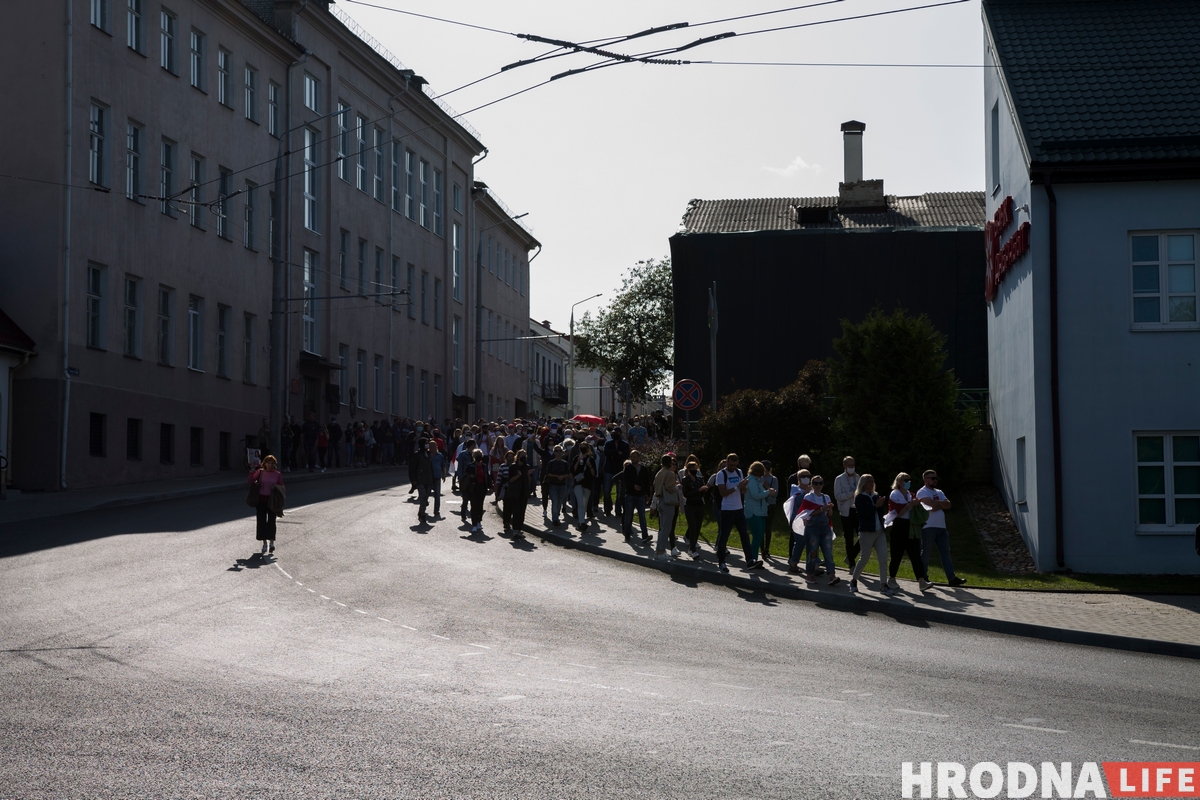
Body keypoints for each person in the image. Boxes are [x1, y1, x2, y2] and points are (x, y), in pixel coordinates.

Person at [916, 469, 967, 587]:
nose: (935, 480)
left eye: (936, 478)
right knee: (926, 553)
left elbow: (948, 505)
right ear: (925, 480)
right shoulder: (922, 492)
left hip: (941, 527)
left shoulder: (939, 491)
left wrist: (936, 502)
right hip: (928, 527)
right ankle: (922, 577)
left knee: (946, 553)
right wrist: (940, 503)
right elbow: (931, 507)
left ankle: (952, 578)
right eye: (932, 478)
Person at [848, 474, 890, 594]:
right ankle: (854, 580)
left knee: (883, 559)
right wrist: (875, 506)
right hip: (867, 531)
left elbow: (880, 513)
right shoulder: (860, 497)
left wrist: (880, 506)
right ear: (863, 484)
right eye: (868, 482)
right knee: (864, 558)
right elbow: (863, 514)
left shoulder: (875, 496)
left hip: (879, 531)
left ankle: (883, 584)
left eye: (872, 481)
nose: (871, 484)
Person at [885, 472, 926, 593]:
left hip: (910, 526)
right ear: (899, 482)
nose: (908, 482)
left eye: (909, 480)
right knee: (897, 554)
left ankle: (921, 580)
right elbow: (898, 512)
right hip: (899, 526)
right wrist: (910, 505)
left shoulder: (910, 494)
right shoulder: (895, 494)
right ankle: (891, 578)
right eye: (905, 480)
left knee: (915, 554)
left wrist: (916, 503)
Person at [715, 453, 753, 574]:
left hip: (738, 509)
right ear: (726, 462)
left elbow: (743, 491)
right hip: (727, 509)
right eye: (730, 465)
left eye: (734, 465)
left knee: (744, 535)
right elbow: (722, 493)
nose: (732, 467)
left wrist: (744, 487)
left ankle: (750, 560)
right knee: (724, 536)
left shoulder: (739, 472)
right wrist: (737, 487)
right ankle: (721, 561)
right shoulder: (721, 474)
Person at [799, 476, 839, 584]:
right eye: (815, 483)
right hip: (812, 527)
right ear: (812, 485)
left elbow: (830, 514)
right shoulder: (808, 497)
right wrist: (822, 509)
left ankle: (831, 575)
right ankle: (809, 574)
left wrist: (829, 508)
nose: (818, 485)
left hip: (825, 527)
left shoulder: (826, 497)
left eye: (820, 483)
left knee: (828, 552)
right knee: (812, 552)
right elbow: (807, 513)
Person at [248, 455, 285, 557]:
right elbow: (250, 481)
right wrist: (251, 471)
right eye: (268, 463)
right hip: (261, 500)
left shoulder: (277, 474)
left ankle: (272, 542)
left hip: (272, 501)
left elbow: (282, 487)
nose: (270, 465)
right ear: (264, 464)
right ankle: (264, 543)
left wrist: (276, 487)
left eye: (272, 463)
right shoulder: (260, 472)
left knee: (272, 521)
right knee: (261, 521)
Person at [744, 461, 774, 570]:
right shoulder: (751, 481)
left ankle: (753, 559)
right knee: (757, 536)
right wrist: (768, 492)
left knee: (759, 535)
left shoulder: (756, 481)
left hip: (760, 512)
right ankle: (752, 559)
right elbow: (756, 496)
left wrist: (766, 491)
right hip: (753, 512)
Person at [652, 454, 681, 559]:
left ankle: (658, 550)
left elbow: (655, 485)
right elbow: (670, 488)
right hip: (668, 502)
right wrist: (677, 487)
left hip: (660, 501)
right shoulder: (670, 473)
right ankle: (661, 551)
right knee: (666, 528)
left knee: (662, 528)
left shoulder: (659, 473)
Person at [833, 456, 860, 569]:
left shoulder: (858, 477)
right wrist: (851, 494)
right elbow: (838, 496)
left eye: (853, 465)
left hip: (858, 510)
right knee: (849, 538)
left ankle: (850, 556)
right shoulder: (839, 479)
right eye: (849, 466)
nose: (851, 468)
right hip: (846, 511)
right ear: (844, 466)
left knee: (863, 536)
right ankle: (852, 565)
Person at [622, 450, 653, 543]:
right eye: (631, 457)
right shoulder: (628, 468)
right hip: (630, 494)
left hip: (640, 496)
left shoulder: (643, 469)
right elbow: (626, 480)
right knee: (629, 516)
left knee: (642, 516)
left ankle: (645, 535)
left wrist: (648, 495)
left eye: (635, 457)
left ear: (639, 458)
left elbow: (647, 482)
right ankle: (627, 534)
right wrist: (633, 486)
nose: (633, 459)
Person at [679, 458, 708, 559]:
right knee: (692, 526)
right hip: (690, 505)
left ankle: (691, 548)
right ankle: (693, 549)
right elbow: (686, 494)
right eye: (693, 468)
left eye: (696, 468)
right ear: (689, 469)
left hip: (699, 504)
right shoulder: (685, 480)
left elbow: (702, 493)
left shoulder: (699, 479)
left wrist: (704, 490)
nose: (695, 470)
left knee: (698, 526)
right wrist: (698, 490)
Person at [602, 429, 630, 515]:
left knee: (619, 493)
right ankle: (608, 508)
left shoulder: (625, 444)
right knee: (606, 491)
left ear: (621, 433)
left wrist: (614, 454)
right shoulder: (608, 443)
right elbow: (606, 453)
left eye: (617, 433)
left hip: (619, 470)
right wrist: (617, 453)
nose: (615, 434)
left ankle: (618, 511)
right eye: (614, 433)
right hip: (609, 469)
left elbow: (626, 454)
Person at [572, 442, 598, 533]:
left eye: (584, 447)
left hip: (587, 484)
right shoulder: (576, 458)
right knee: (580, 503)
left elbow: (594, 474)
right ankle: (582, 522)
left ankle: (581, 522)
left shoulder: (591, 459)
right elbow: (573, 471)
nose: (582, 449)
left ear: (588, 448)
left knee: (584, 504)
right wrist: (578, 461)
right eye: (581, 447)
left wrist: (589, 465)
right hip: (578, 483)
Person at [543, 445, 572, 527]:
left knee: (560, 501)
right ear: (554, 452)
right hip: (553, 485)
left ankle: (557, 515)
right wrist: (556, 476)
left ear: (562, 452)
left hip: (562, 485)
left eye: (560, 451)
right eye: (556, 450)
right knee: (555, 501)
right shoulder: (551, 463)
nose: (558, 452)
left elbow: (568, 474)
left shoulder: (565, 463)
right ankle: (555, 519)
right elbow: (547, 473)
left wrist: (563, 476)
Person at [462, 449, 489, 534]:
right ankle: (474, 524)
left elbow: (487, 477)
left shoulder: (484, 466)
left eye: (479, 454)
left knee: (480, 505)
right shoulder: (470, 466)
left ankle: (479, 521)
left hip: (482, 488)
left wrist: (490, 487)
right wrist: (470, 476)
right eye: (476, 454)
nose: (478, 456)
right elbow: (464, 476)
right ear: (473, 456)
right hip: (472, 488)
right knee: (474, 505)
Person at [506, 449, 532, 537]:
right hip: (514, 493)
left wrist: (528, 474)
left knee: (522, 512)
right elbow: (510, 480)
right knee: (516, 511)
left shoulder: (527, 467)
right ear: (517, 456)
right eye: (521, 456)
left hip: (523, 492)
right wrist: (518, 475)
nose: (523, 458)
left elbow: (529, 480)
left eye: (524, 456)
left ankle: (519, 529)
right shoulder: (513, 467)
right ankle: (515, 530)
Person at [413, 440, 437, 524]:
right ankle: (422, 514)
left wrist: (432, 480)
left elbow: (431, 467)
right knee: (423, 496)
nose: (427, 445)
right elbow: (412, 468)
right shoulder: (417, 455)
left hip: (428, 479)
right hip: (420, 479)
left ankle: (421, 511)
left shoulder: (428, 454)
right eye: (426, 443)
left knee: (426, 497)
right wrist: (414, 480)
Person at [761, 460, 779, 560]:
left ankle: (767, 548)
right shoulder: (758, 478)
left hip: (771, 504)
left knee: (768, 528)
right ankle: (762, 549)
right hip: (761, 504)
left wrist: (767, 487)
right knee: (761, 528)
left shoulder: (774, 479)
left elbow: (775, 494)